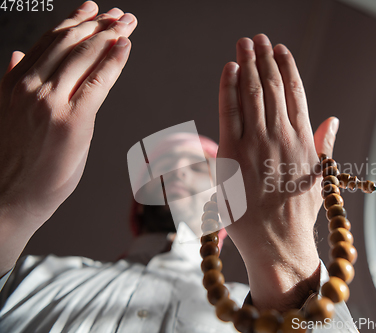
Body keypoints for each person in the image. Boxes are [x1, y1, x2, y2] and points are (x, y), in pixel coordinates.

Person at [0, 1, 358, 332]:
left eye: (206, 168)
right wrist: (9, 203)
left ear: (232, 206)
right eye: (169, 167)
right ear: (140, 201)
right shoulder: (33, 276)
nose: (186, 173)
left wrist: (288, 259)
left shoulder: (255, 316)